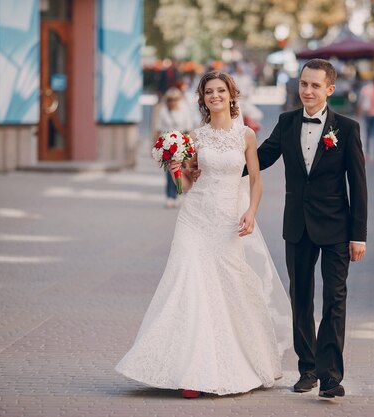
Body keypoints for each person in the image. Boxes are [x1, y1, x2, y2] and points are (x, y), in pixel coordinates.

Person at [191, 59, 367, 398]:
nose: (308, 91)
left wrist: (359, 235)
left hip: (336, 228)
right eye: (304, 84)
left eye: (315, 85)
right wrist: (210, 168)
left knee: (335, 299)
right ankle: (308, 369)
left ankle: (331, 377)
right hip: (297, 226)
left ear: (330, 89)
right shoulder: (286, 123)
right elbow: (262, 158)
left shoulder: (347, 128)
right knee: (300, 298)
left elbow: (358, 185)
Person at [115, 71, 292, 398]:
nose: (215, 96)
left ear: (231, 95)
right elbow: (186, 186)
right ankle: (190, 373)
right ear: (203, 98)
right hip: (195, 218)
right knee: (186, 281)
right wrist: (176, 172)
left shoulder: (247, 137)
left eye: (220, 90)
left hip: (228, 220)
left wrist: (251, 212)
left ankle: (230, 364)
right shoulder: (194, 137)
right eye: (209, 91)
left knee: (225, 286)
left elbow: (255, 180)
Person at [154, 87, 196, 208]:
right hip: (167, 144)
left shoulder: (184, 110)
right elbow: (158, 128)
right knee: (170, 171)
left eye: (175, 99)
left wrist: (189, 146)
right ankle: (170, 196)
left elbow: (189, 128)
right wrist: (156, 146)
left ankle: (180, 193)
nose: (173, 102)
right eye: (170, 99)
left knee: (183, 169)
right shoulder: (163, 111)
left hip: (181, 142)